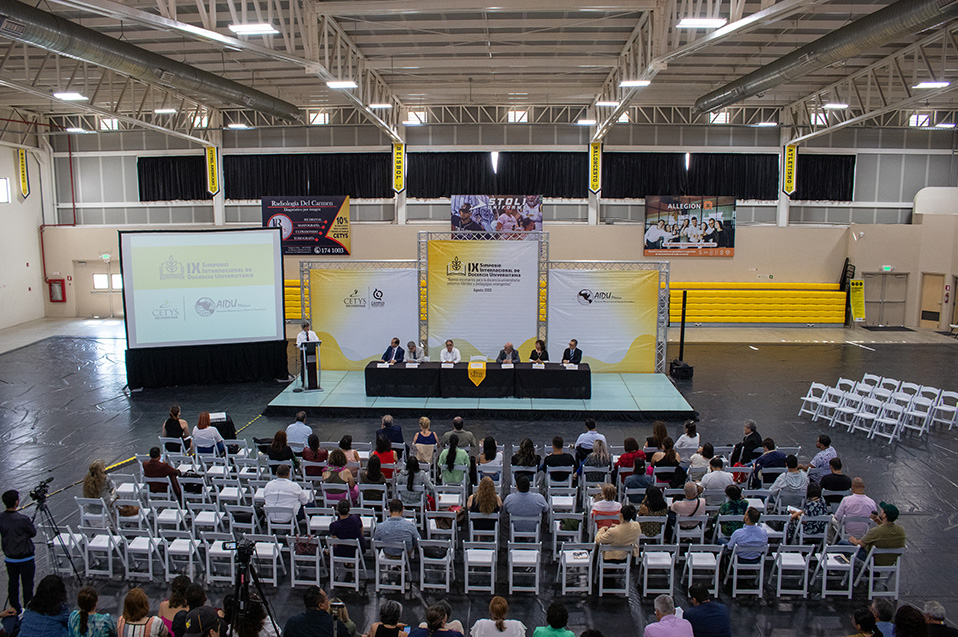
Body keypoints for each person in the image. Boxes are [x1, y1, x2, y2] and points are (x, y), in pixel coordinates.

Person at [0, 489, 36, 612]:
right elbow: (33, 533)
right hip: (25, 558)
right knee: (27, 585)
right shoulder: (23, 519)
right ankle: (28, 608)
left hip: (10, 558)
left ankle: (14, 608)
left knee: (13, 583)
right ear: (16, 502)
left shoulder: (1, 518)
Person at [848, 501, 906, 565]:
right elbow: (887, 531)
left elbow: (860, 544)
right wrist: (879, 523)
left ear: (884, 515)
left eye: (882, 510)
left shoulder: (876, 531)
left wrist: (853, 539)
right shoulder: (901, 530)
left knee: (843, 543)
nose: (880, 511)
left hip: (873, 560)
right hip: (890, 562)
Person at [282, 586, 349, 637]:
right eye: (326, 598)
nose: (328, 601)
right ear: (320, 605)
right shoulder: (335, 625)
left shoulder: (292, 623)